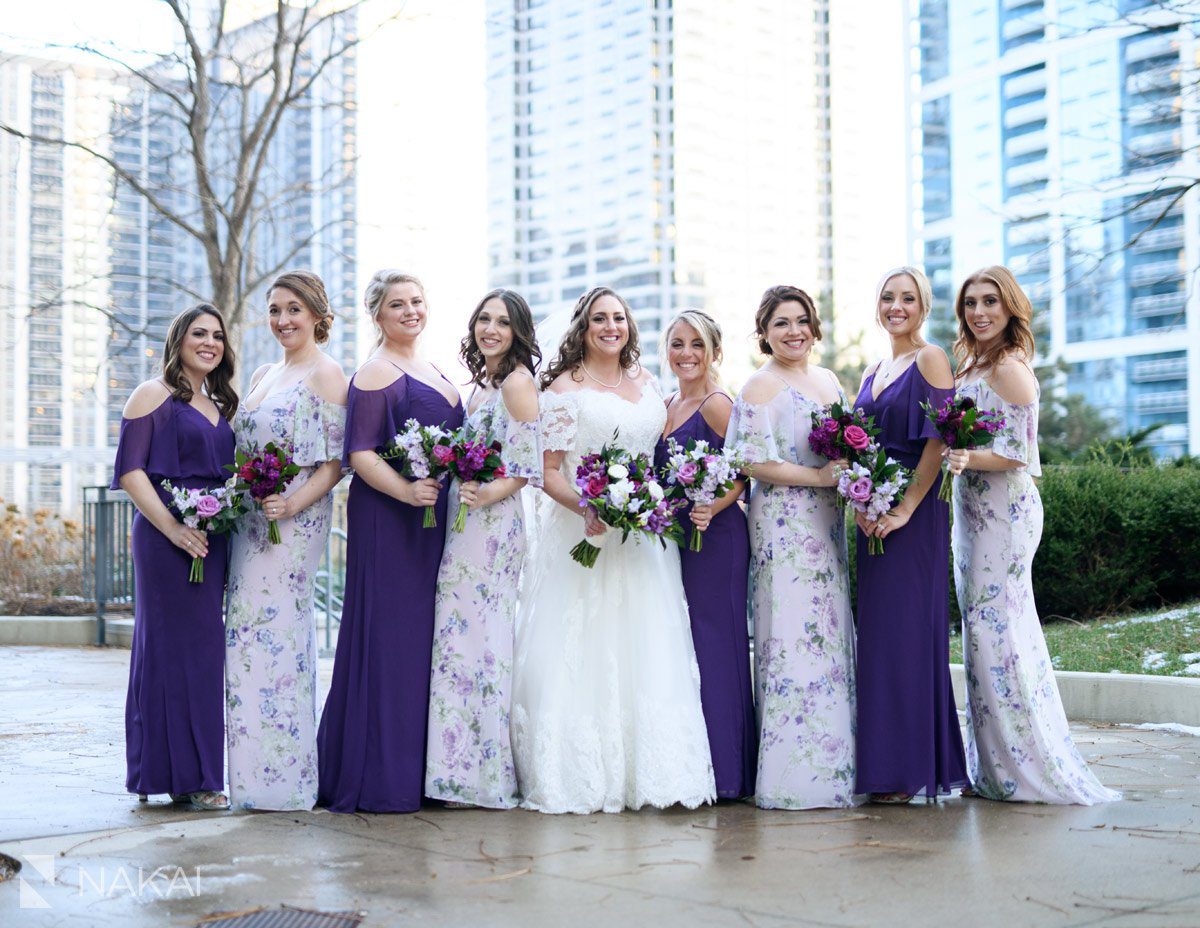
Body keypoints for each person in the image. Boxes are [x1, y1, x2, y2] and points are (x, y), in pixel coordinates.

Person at [511, 286, 715, 814]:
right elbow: (547, 472)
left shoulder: (648, 384)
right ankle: (580, 773)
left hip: (645, 540)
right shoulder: (562, 388)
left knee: (646, 646)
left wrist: (643, 503)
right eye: (599, 318)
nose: (610, 327)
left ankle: (648, 770)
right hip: (585, 535)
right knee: (583, 648)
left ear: (629, 326)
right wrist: (589, 506)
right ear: (582, 326)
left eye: (618, 318)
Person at [947, 266, 1119, 804]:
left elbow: (1022, 453)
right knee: (982, 632)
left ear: (1010, 309)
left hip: (1004, 512)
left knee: (998, 634)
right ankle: (996, 767)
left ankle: (1026, 768)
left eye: (990, 302)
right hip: (972, 509)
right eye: (971, 303)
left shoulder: (1011, 369)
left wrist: (967, 456)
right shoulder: (973, 362)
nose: (979, 312)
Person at [317, 270, 464, 813]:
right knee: (392, 643)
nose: (410, 311)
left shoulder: (431, 367)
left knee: (425, 644)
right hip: (391, 521)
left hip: (431, 521)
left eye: (417, 302)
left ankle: (427, 769)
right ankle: (383, 775)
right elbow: (359, 453)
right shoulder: (377, 372)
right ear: (377, 315)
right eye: (397, 304)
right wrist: (406, 490)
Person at [729, 286, 858, 809]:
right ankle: (792, 778)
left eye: (801, 321)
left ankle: (835, 765)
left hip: (827, 523)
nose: (793, 331)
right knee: (790, 634)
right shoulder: (760, 387)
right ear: (764, 332)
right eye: (781, 323)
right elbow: (750, 462)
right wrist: (819, 476)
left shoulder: (827, 380)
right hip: (784, 523)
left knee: (828, 635)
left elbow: (852, 440)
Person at [224, 270, 348, 811]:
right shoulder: (261, 373)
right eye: (275, 310)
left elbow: (335, 462)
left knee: (278, 638)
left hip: (292, 524)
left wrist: (291, 504)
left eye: (293, 309)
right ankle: (250, 778)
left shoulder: (328, 373)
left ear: (317, 314)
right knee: (245, 641)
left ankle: (286, 780)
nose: (282, 320)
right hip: (250, 521)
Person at [111, 303, 238, 811]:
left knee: (204, 654)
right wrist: (173, 528)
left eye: (217, 336)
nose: (209, 342)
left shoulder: (221, 405)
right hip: (167, 540)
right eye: (198, 333)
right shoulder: (153, 395)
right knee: (167, 652)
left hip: (213, 535)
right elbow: (130, 471)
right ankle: (176, 775)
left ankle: (197, 773)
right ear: (178, 340)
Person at [853, 266, 969, 803]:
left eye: (908, 297)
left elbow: (939, 443)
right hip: (872, 513)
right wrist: (861, 501)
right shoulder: (873, 369)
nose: (896, 306)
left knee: (905, 634)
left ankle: (907, 769)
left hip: (913, 516)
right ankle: (884, 766)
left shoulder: (932, 358)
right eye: (887, 296)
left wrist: (903, 509)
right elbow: (858, 447)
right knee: (878, 639)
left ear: (924, 305)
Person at [425, 289, 541, 809]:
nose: (490, 329)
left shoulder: (517, 383)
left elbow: (529, 464)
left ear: (517, 331)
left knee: (483, 642)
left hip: (492, 525)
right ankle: (452, 769)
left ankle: (482, 775)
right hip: (461, 517)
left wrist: (488, 491)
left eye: (502, 322)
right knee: (457, 640)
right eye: (484, 320)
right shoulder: (478, 387)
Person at [653, 310, 756, 800]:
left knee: (719, 649)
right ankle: (700, 767)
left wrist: (711, 505)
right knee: (689, 650)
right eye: (677, 344)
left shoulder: (719, 404)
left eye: (697, 344)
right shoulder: (668, 402)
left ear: (715, 350)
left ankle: (732, 773)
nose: (686, 353)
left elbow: (744, 470)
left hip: (715, 537)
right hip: (678, 541)